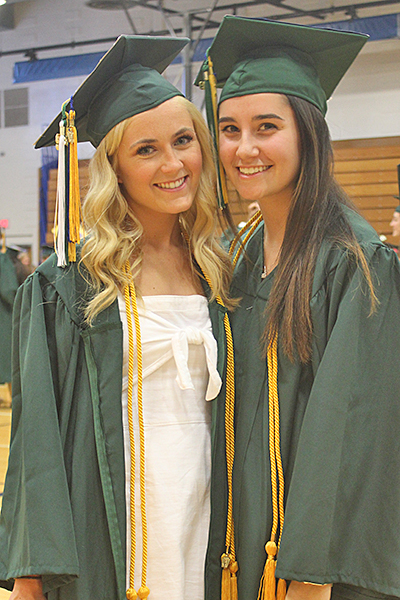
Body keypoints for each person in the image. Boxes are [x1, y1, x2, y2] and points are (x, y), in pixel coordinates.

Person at [0, 35, 234, 600]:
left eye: (184, 141)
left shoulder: (224, 271)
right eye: (146, 150)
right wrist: (32, 575)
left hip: (212, 507)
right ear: (115, 169)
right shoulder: (69, 284)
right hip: (111, 508)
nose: (173, 163)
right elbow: (37, 440)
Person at [196, 15, 400, 600]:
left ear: (309, 132)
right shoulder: (243, 254)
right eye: (229, 129)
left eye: (266, 127)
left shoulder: (354, 263)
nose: (244, 148)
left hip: (310, 559)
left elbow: (354, 435)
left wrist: (311, 574)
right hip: (241, 532)